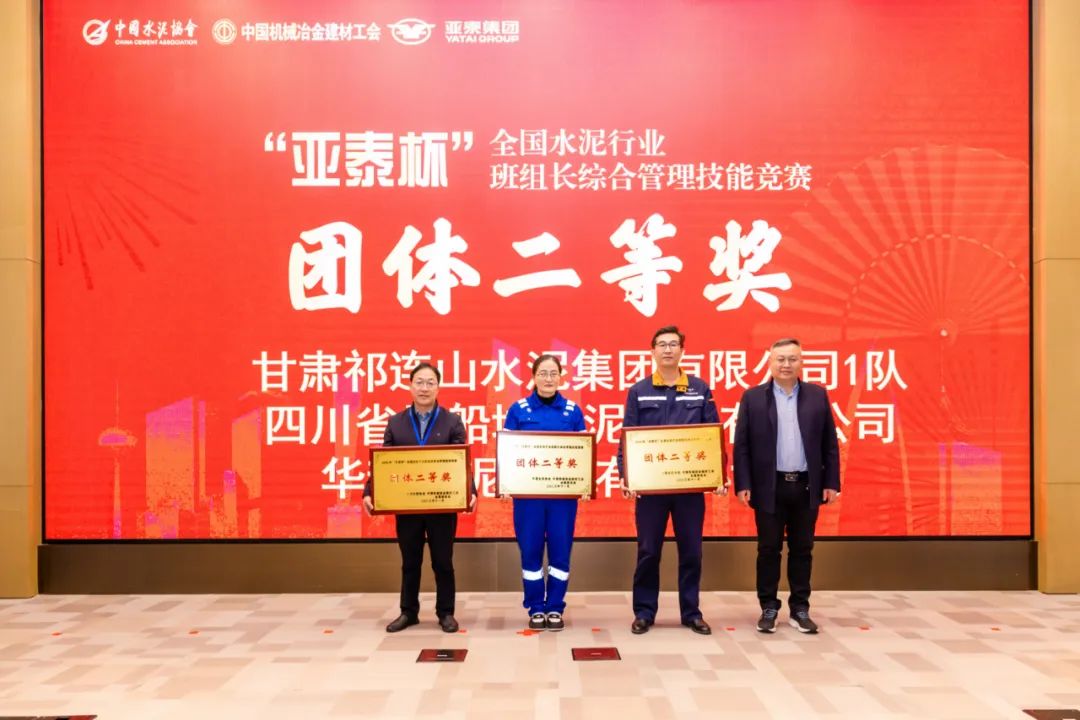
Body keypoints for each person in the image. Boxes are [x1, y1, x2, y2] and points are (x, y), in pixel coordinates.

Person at [619, 325, 724, 635]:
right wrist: (626, 476)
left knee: (691, 551)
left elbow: (712, 435)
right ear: (652, 351)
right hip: (651, 489)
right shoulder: (639, 391)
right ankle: (644, 612)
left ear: (682, 351)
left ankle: (691, 612)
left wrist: (719, 474)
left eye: (673, 344)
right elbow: (627, 436)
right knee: (648, 551)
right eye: (662, 344)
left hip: (689, 488)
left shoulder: (699, 388)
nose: (668, 349)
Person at [733, 338, 841, 635]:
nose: (786, 364)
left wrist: (831, 481)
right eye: (780, 359)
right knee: (768, 548)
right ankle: (768, 607)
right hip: (769, 486)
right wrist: (744, 483)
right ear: (770, 362)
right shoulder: (753, 397)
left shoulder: (817, 395)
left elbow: (829, 443)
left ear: (801, 362)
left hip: (806, 485)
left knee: (802, 548)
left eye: (792, 359)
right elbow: (742, 445)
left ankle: (800, 608)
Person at [363, 362, 475, 633]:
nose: (424, 388)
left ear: (438, 387)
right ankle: (408, 612)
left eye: (430, 383)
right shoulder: (396, 422)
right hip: (408, 505)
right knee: (410, 561)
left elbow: (461, 462)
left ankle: (446, 612)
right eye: (419, 382)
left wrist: (470, 490)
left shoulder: (452, 421)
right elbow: (383, 463)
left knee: (443, 561)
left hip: (441, 504)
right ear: (410, 386)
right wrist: (369, 491)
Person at [503, 354, 588, 632]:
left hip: (562, 499)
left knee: (561, 552)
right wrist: (505, 483)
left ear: (561, 377)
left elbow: (583, 452)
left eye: (553, 373)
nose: (548, 379)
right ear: (534, 377)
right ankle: (536, 607)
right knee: (530, 551)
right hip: (529, 499)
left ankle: (555, 607)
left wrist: (585, 484)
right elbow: (507, 451)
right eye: (543, 373)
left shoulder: (572, 411)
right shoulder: (518, 409)